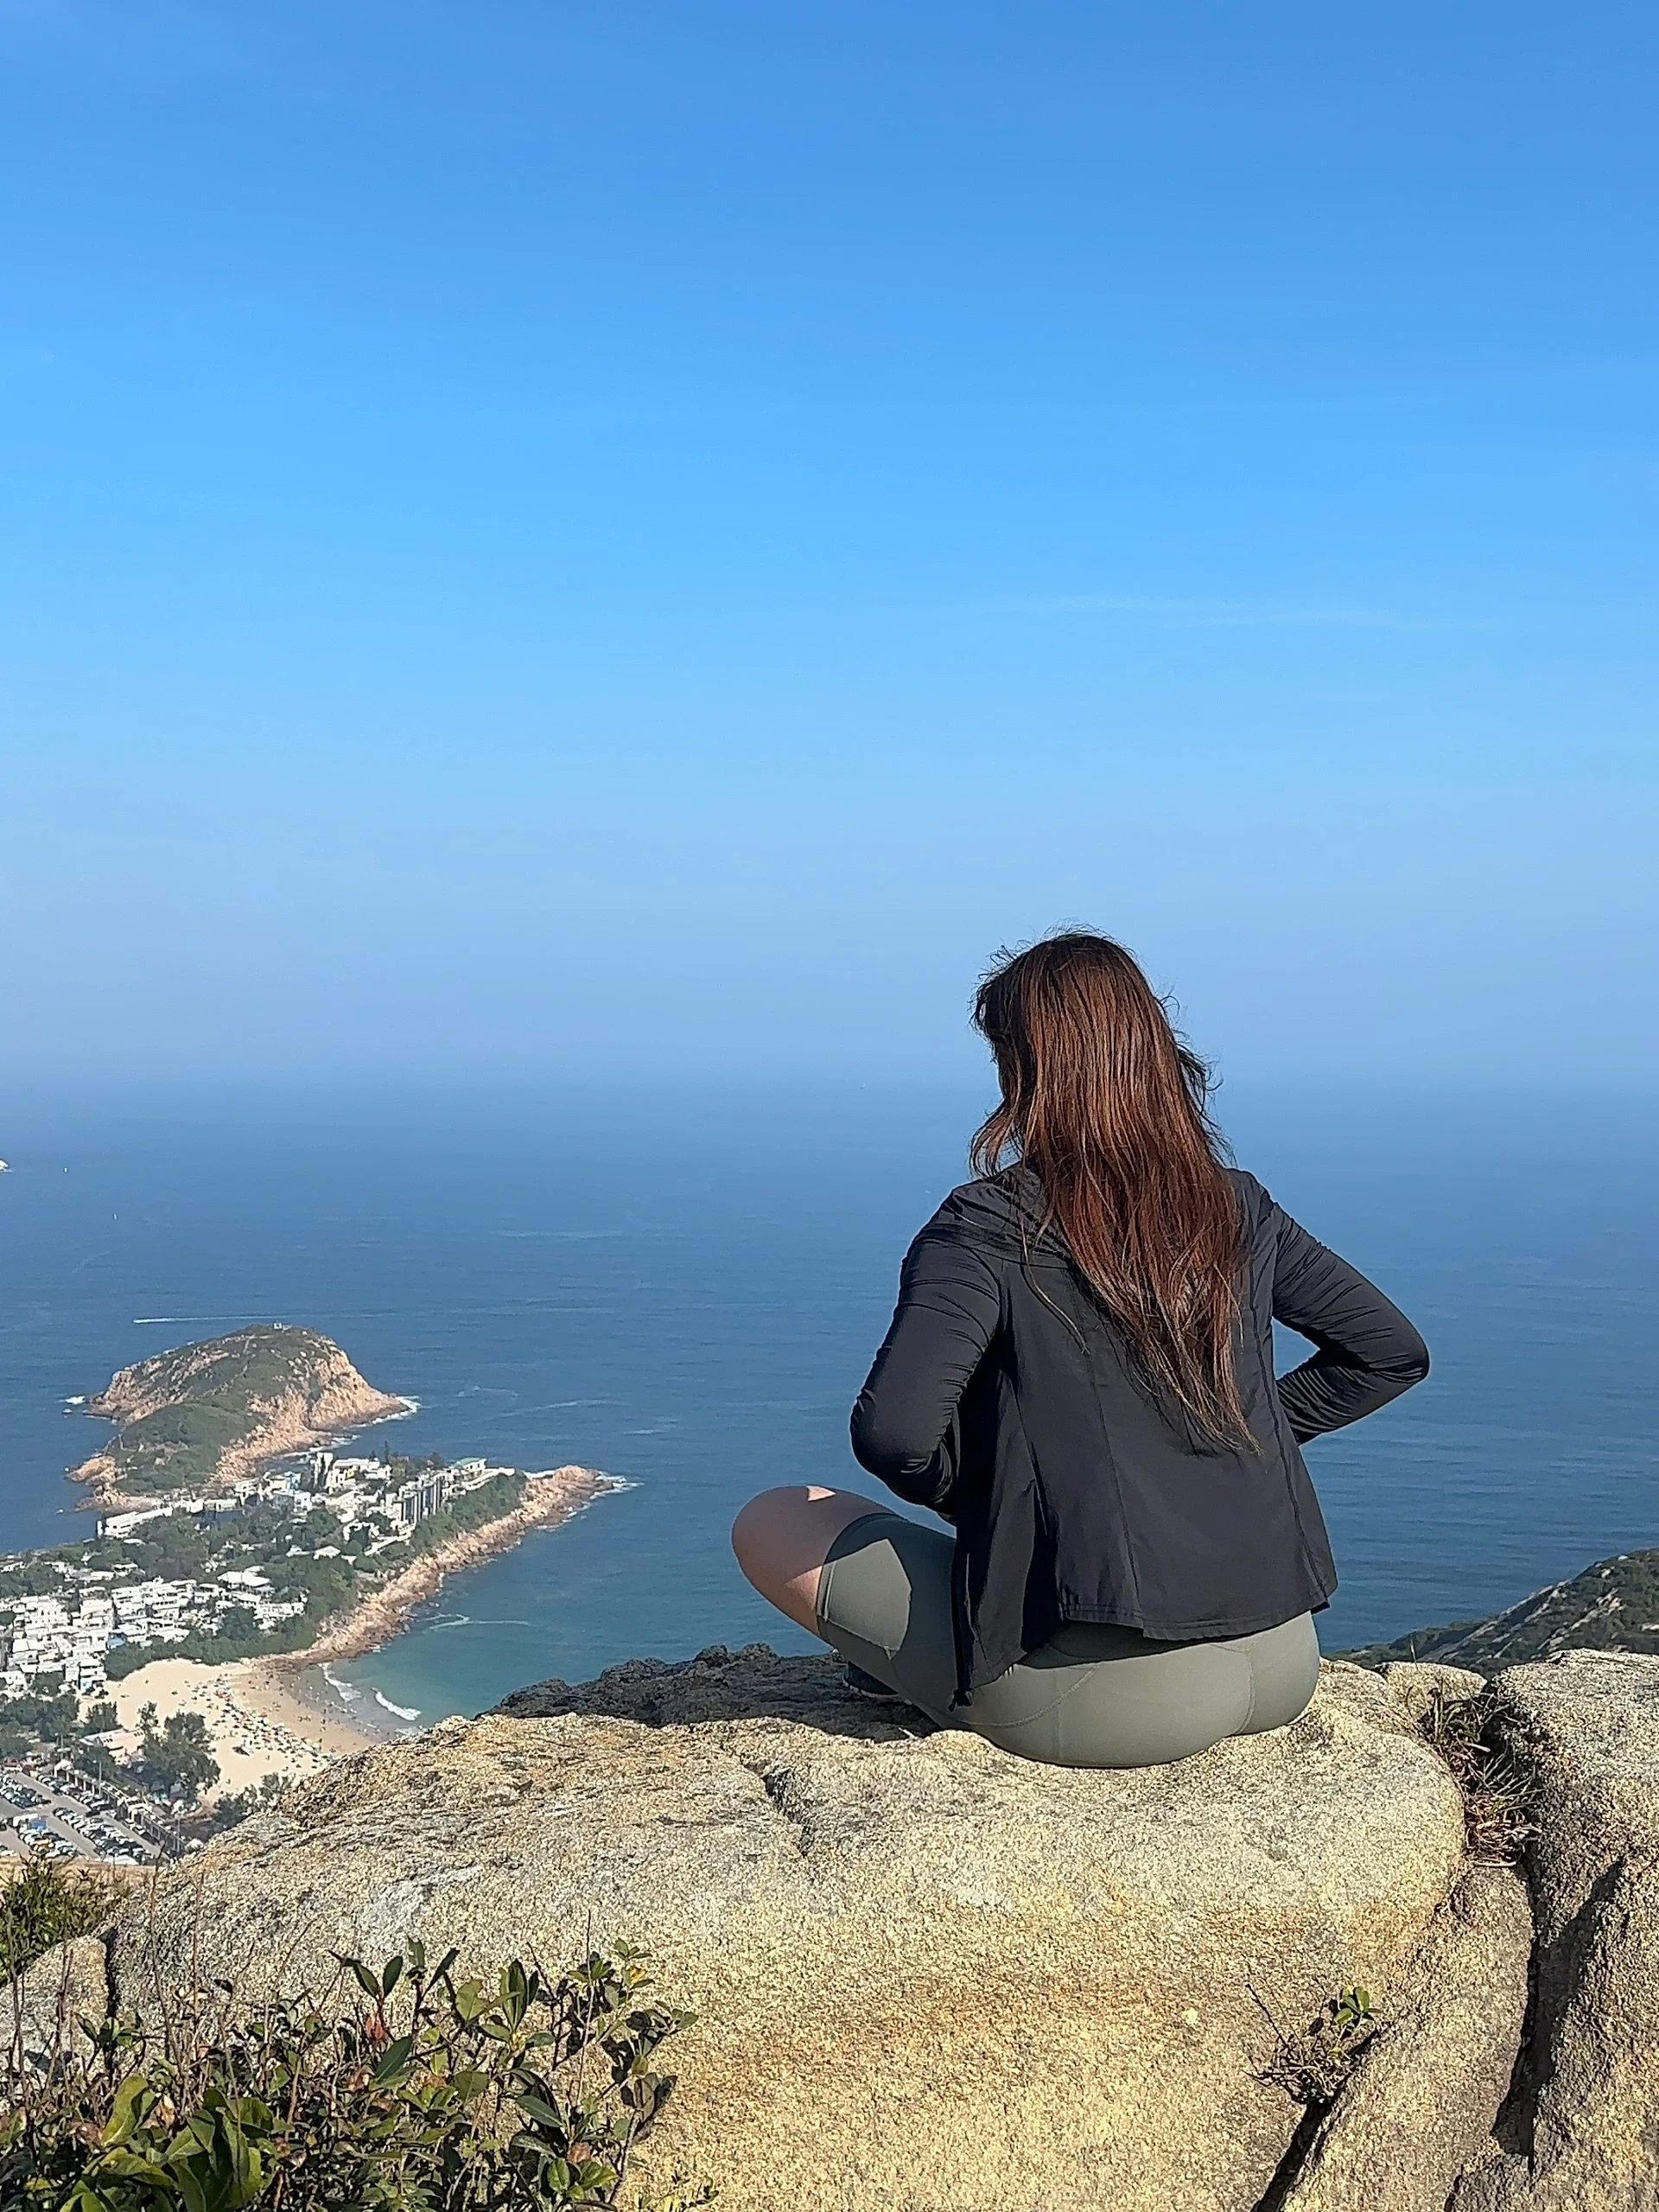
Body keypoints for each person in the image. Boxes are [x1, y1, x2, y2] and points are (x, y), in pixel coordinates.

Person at [732, 930, 1429, 1770]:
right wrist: (1244, 1433)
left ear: (1025, 1069)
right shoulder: (1235, 1206)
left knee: (777, 1515)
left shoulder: (990, 1225)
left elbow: (895, 1434)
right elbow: (1387, 1352)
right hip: (1284, 1665)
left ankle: (923, 1672)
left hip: (1114, 1704)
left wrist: (996, 1503)